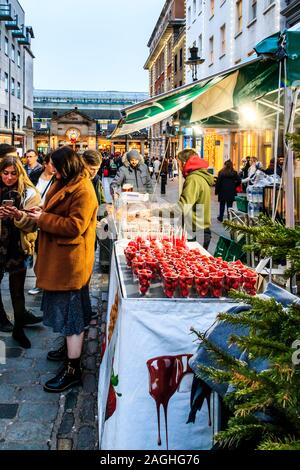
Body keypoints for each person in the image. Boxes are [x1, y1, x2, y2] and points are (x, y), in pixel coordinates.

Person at [28, 146, 98, 393]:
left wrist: (42, 219)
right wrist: (40, 213)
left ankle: (73, 368)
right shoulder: (69, 181)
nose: (53, 172)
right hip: (61, 258)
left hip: (70, 261)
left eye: (56, 168)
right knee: (67, 311)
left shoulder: (83, 189)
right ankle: (69, 350)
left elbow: (74, 226)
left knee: (72, 316)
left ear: (66, 167)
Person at [0, 156, 42, 347]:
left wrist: (18, 214)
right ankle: (1, 317)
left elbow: (34, 223)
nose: (9, 178)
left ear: (20, 173)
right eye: (5, 173)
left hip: (18, 246)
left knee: (17, 290)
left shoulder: (29, 192)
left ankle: (19, 328)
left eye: (13, 173)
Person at [174, 149, 214, 250]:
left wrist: (155, 211)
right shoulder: (199, 176)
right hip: (200, 228)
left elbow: (182, 207)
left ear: (184, 163)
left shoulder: (193, 179)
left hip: (195, 230)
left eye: (178, 163)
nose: (178, 167)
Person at [28, 154, 55, 296]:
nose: (54, 167)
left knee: (45, 252)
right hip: (32, 215)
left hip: (47, 216)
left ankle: (44, 282)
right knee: (36, 252)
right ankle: (40, 281)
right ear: (45, 164)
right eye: (51, 164)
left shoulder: (58, 179)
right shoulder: (34, 176)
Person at [82, 150, 110, 274]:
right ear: (83, 164)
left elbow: (102, 201)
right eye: (91, 168)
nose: (94, 172)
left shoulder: (97, 179)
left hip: (93, 228)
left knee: (89, 260)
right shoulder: (76, 182)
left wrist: (107, 212)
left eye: (97, 169)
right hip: (81, 231)